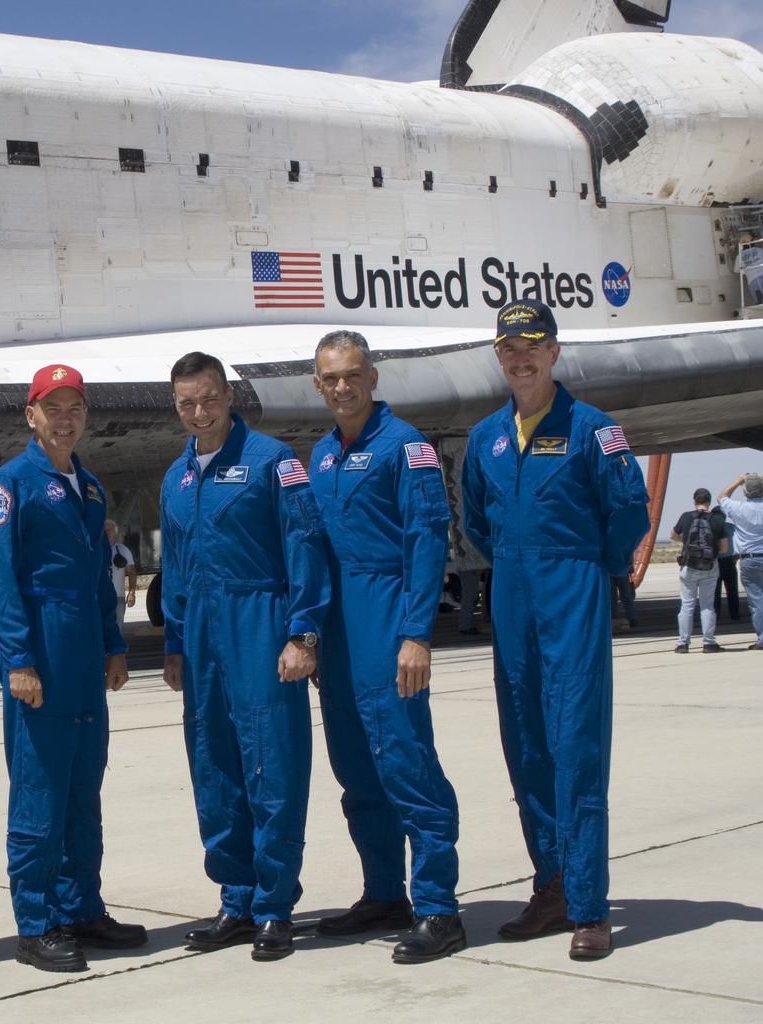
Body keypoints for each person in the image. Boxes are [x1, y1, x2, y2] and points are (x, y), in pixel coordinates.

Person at [461, 300, 650, 961]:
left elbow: (629, 510)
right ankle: (552, 886)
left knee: (576, 747)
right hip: (511, 591)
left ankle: (592, 908)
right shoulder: (486, 438)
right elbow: (478, 522)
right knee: (527, 746)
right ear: (499, 355)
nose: (520, 357)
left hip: (573, 590)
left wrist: (595, 567)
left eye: (532, 346)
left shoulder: (595, 431)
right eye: (509, 348)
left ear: (555, 352)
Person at [0, 364, 146, 973]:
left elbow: (98, 577)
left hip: (82, 654)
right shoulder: (10, 486)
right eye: (53, 407)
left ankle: (81, 908)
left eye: (74, 406)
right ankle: (36, 922)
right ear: (32, 415)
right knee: (39, 789)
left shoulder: (90, 488)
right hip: (40, 648)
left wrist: (114, 643)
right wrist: (17, 658)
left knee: (81, 787)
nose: (64, 417)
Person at [160, 351, 329, 962]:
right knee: (214, 764)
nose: (199, 412)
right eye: (186, 404)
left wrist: (302, 632)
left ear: (228, 396)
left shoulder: (273, 463)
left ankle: (276, 906)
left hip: (261, 623)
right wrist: (175, 644)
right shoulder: (176, 478)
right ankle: (236, 897)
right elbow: (176, 571)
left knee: (271, 763)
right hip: (202, 637)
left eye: (208, 399)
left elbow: (304, 546)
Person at [307, 331, 465, 964]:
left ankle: (438, 907)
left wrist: (416, 633)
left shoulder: (405, 448)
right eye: (329, 378)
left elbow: (428, 539)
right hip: (340, 633)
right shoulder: (320, 456)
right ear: (318, 386)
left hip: (389, 619)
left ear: (372, 378)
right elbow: (312, 551)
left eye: (351, 375)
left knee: (406, 763)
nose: (341, 387)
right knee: (355, 768)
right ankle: (382, 893)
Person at [670, 488, 727, 653]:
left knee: (687, 605)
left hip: (688, 565)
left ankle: (683, 644)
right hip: (710, 566)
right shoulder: (717, 519)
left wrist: (686, 541)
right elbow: (724, 548)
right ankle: (709, 643)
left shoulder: (686, 517)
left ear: (694, 501)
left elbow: (673, 535)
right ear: (709, 502)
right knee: (707, 605)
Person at [717, 473, 763, 650]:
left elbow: (722, 497)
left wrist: (738, 480)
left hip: (750, 559)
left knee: (757, 600)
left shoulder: (738, 508)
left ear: (745, 492)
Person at [104, 519, 137, 632]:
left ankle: (116, 649)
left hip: (117, 596)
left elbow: (131, 572)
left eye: (110, 529)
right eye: (105, 529)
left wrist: (132, 593)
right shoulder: (95, 550)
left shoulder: (122, 550)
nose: (107, 532)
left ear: (115, 532)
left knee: (117, 629)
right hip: (99, 596)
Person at [712, 506, 742, 622]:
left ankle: (716, 615)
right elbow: (739, 542)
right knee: (732, 590)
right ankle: (734, 614)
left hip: (717, 561)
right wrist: (737, 555)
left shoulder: (711, 527)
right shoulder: (731, 527)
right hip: (729, 560)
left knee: (716, 591)